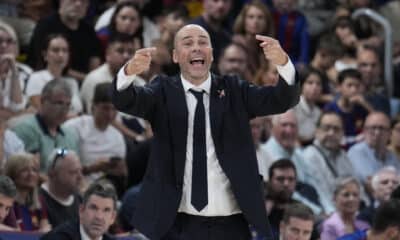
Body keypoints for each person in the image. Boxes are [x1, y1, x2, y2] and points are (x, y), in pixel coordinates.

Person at [112, 24, 300, 239]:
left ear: (211, 54)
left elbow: (282, 99)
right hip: (176, 223)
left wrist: (283, 63)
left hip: (231, 224)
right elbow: (126, 101)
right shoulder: (162, 91)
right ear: (175, 56)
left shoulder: (234, 90)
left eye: (203, 42)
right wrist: (128, 72)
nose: (196, 48)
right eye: (188, 43)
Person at [11, 80, 79, 172]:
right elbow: (18, 171)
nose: (64, 109)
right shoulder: (25, 129)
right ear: (42, 101)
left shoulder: (70, 135)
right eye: (59, 103)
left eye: (68, 105)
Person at [303, 111, 356, 213]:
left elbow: (356, 185)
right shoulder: (309, 156)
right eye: (326, 128)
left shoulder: (343, 155)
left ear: (342, 133)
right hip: (331, 215)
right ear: (317, 130)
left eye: (336, 129)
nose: (331, 133)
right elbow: (322, 196)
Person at [25, 34, 82, 116]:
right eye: (55, 50)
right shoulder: (36, 78)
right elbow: (40, 110)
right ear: (45, 55)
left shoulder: (72, 82)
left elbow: (79, 110)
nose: (61, 55)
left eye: (65, 51)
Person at [40, 181, 117, 240]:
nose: (99, 217)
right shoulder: (56, 238)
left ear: (112, 217)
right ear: (81, 211)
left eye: (106, 210)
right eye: (93, 208)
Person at [324, 68, 372, 147]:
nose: (354, 90)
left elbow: (380, 123)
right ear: (339, 87)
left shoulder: (362, 108)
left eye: (357, 86)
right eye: (349, 85)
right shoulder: (330, 108)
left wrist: (365, 104)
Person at [348, 111, 400, 185]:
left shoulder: (392, 157)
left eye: (381, 128)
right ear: (364, 131)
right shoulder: (356, 152)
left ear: (389, 133)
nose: (377, 132)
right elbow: (370, 182)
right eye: (372, 128)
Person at [4, 153, 51, 232]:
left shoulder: (39, 202)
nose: (31, 174)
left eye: (34, 170)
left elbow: (46, 230)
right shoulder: (5, 202)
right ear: (12, 174)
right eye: (24, 170)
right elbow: (16, 235)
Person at [39, 148, 83, 228]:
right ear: (53, 173)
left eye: (80, 171)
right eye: (73, 172)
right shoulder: (39, 201)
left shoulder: (80, 200)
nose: (80, 177)